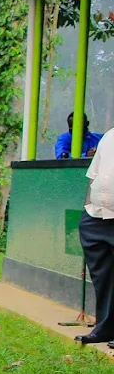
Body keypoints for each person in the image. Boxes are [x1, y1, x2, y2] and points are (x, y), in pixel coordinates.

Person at [77, 132, 114, 348]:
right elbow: (94, 174)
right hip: (97, 215)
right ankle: (105, 326)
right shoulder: (109, 136)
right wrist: (87, 209)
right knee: (103, 275)